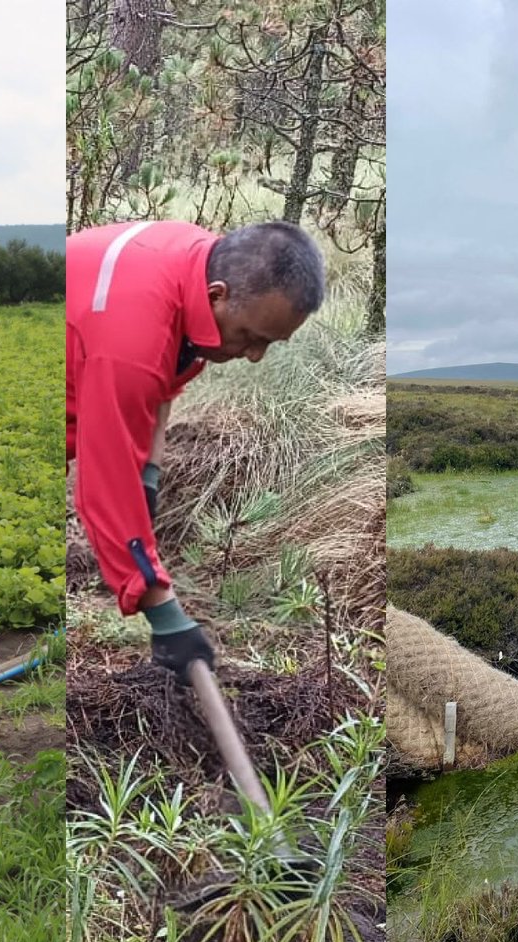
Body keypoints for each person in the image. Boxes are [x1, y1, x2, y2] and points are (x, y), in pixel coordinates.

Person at [66, 220, 326, 680]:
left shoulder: (196, 262)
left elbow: (167, 372)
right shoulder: (130, 339)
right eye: (251, 335)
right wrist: (166, 618)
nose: (254, 355)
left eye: (269, 343)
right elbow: (102, 486)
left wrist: (147, 470)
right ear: (217, 296)